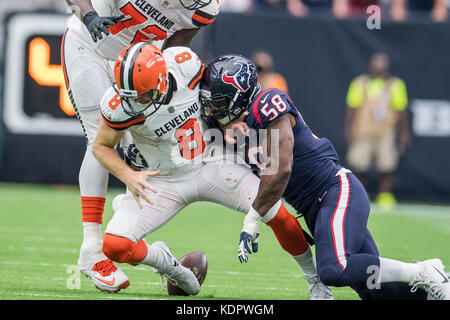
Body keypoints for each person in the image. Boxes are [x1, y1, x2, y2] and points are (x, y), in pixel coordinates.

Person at [92, 42, 333, 299]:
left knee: (277, 214)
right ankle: (174, 268)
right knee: (115, 245)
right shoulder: (121, 104)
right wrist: (128, 174)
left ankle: (316, 280)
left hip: (212, 160)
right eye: (130, 95)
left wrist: (224, 123)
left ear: (162, 80)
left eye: (142, 95)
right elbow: (101, 146)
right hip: (163, 178)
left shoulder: (185, 66)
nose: (135, 101)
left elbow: (215, 94)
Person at [200, 53, 450, 300]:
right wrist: (224, 126)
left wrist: (252, 219)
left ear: (240, 96)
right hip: (314, 208)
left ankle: (424, 270)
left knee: (334, 269)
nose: (214, 109)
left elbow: (281, 168)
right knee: (373, 291)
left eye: (220, 102)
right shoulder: (225, 124)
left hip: (335, 190)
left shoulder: (268, 102)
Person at [61, 0, 219, 292]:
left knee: (142, 146)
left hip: (139, 69)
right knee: (101, 137)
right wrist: (90, 15)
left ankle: (127, 218)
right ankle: (92, 249)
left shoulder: (205, 7)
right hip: (90, 48)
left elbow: (174, 49)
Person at [345, 52, 410, 209]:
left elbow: (401, 111)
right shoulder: (359, 83)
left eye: (382, 62)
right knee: (360, 164)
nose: (379, 65)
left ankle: (385, 195)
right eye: (377, 62)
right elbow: (351, 108)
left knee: (387, 164)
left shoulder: (396, 84)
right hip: (363, 131)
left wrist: (403, 132)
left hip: (386, 131)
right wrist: (349, 128)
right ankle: (361, 194)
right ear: (370, 65)